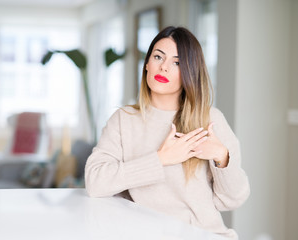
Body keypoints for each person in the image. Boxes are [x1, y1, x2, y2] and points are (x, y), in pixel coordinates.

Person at [85, 26, 250, 239]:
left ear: (190, 71)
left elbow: (231, 201)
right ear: (146, 64)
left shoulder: (210, 119)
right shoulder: (124, 120)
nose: (164, 68)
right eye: (158, 57)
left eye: (177, 62)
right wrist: (160, 159)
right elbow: (95, 183)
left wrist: (222, 157)